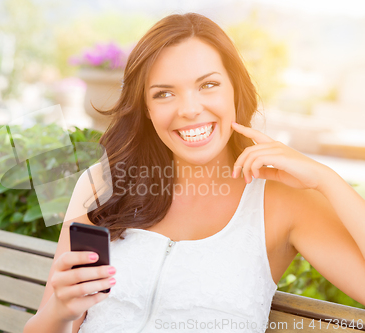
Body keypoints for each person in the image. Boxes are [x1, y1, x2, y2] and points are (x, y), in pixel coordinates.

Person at [23, 12, 365, 333]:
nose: (189, 109)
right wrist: (60, 311)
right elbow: (46, 323)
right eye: (165, 93)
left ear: (235, 88)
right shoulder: (101, 185)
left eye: (208, 85)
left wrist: (326, 179)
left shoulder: (283, 199)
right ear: (147, 108)